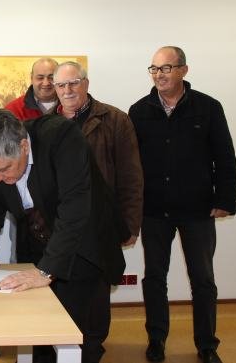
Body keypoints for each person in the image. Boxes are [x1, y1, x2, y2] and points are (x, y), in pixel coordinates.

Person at [0, 108, 125, 363]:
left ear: (23, 146)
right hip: (36, 246)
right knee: (39, 333)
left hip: (84, 246)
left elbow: (74, 209)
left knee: (81, 336)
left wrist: (47, 271)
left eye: (3, 170)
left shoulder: (61, 137)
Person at [129, 46, 236, 363]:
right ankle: (156, 340)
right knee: (154, 277)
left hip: (197, 209)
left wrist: (225, 200)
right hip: (154, 209)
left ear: (183, 70)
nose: (159, 75)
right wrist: (131, 206)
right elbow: (131, 164)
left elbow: (225, 157)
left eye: (166, 68)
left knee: (203, 279)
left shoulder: (208, 107)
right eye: (154, 68)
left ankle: (207, 344)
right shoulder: (139, 110)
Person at [54, 61, 143, 362]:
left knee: (95, 297)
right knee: (63, 293)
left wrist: (130, 224)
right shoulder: (49, 123)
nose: (68, 90)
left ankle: (92, 349)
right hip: (63, 225)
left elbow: (131, 176)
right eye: (61, 85)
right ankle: (66, 346)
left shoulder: (114, 120)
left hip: (100, 223)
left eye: (73, 83)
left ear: (86, 84)